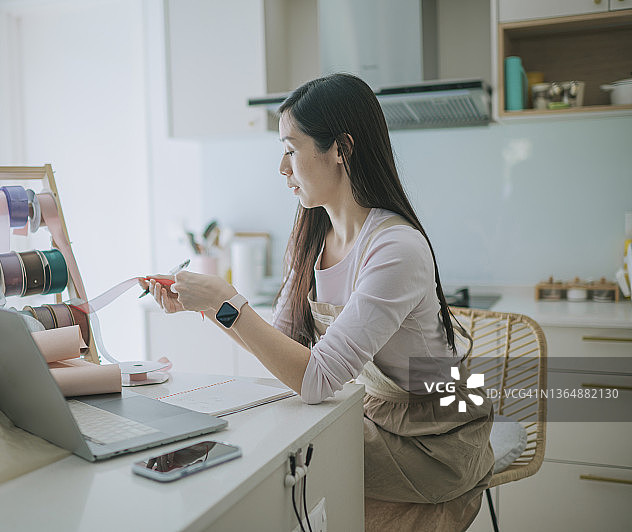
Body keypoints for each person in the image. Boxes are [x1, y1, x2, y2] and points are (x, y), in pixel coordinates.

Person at [141, 73, 493, 531]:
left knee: (278, 471)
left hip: (432, 434)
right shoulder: (312, 234)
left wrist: (228, 301)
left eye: (291, 149)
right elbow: (284, 347)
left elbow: (315, 379)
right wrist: (207, 306)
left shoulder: (395, 248)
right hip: (373, 412)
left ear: (341, 149)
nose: (282, 168)